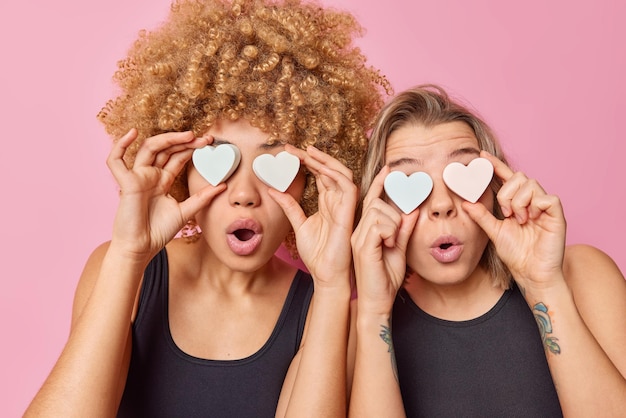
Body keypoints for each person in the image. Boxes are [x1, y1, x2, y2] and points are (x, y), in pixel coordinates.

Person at [25, 0, 390, 416]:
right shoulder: (125, 271)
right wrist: (128, 255)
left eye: (273, 162)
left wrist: (331, 286)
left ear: (310, 176)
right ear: (180, 166)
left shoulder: (328, 306)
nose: (244, 193)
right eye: (221, 158)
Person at [349, 84, 626, 417]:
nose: (441, 205)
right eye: (411, 182)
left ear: (494, 190)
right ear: (379, 207)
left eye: (460, 178)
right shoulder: (355, 325)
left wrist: (544, 286)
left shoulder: (583, 275)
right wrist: (376, 312)